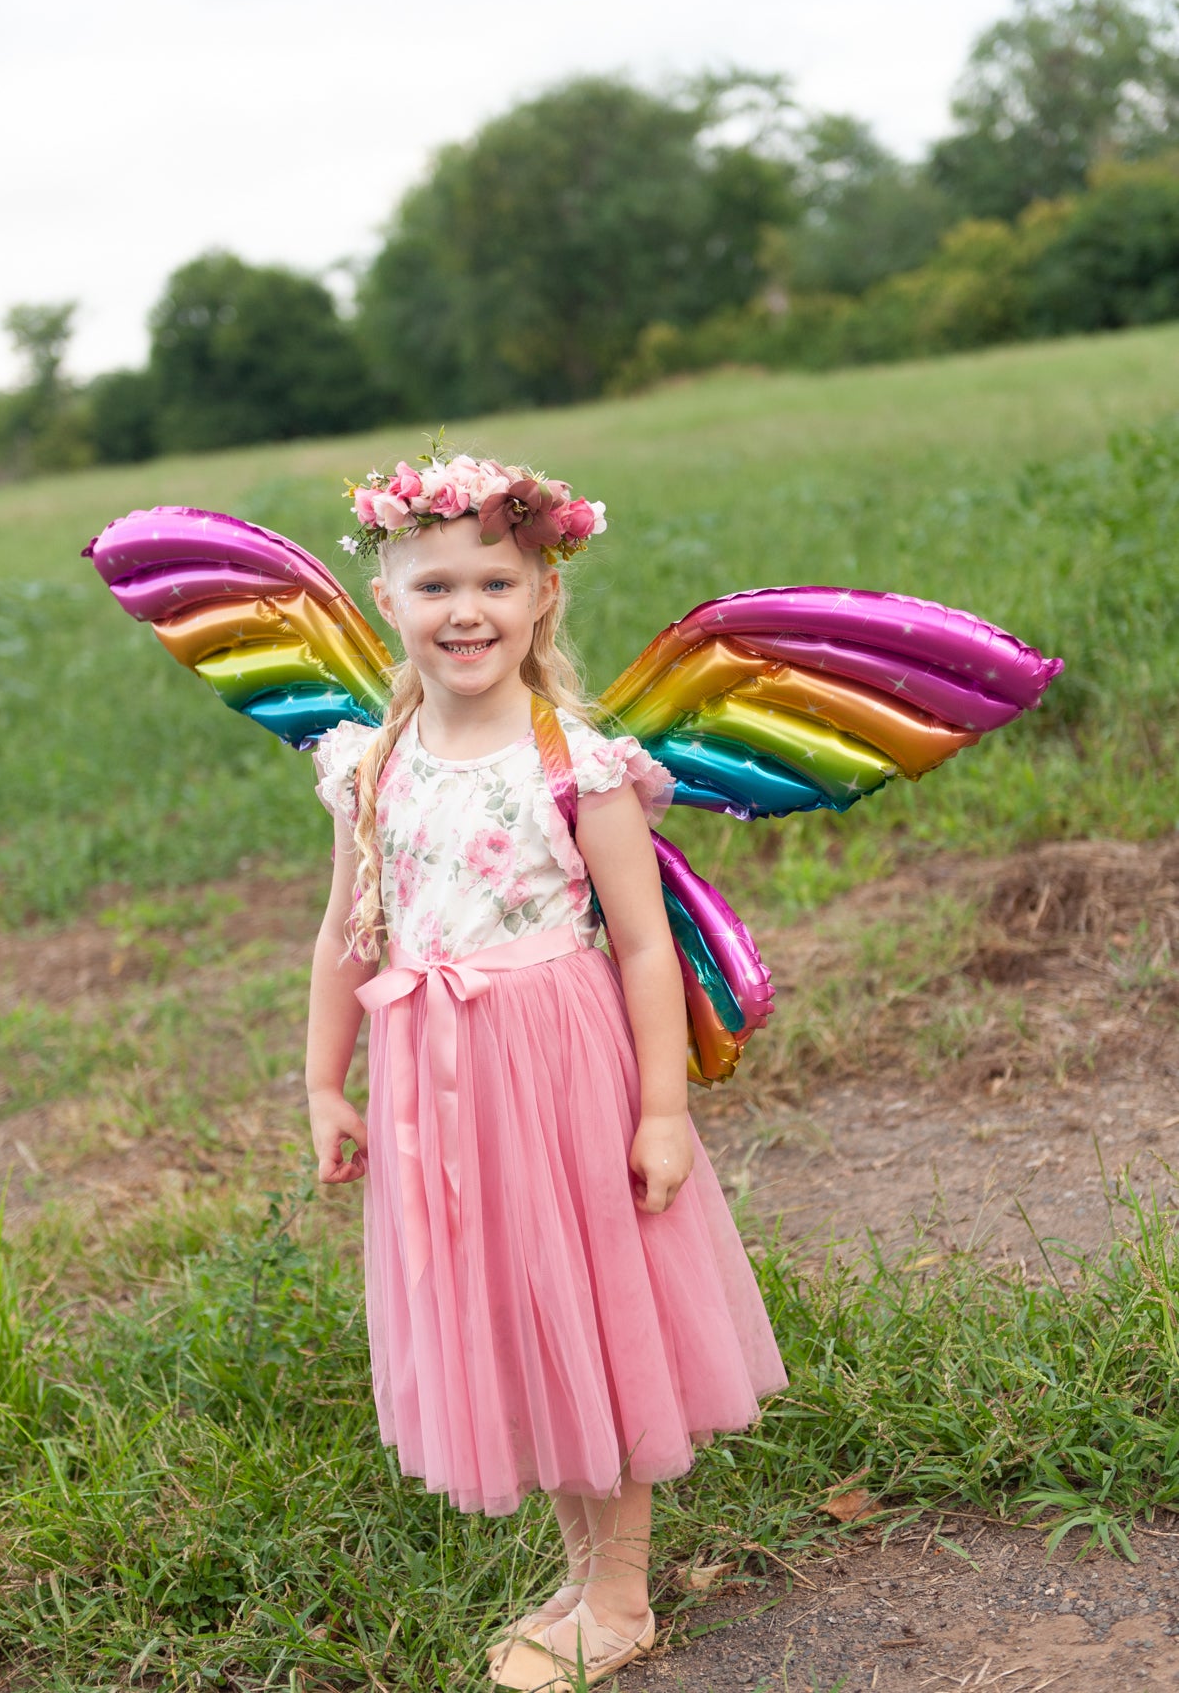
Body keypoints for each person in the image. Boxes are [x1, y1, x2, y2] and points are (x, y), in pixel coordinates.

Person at [304, 453, 786, 1691]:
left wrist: (663, 1110)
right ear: (389, 602)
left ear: (540, 597)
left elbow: (638, 945)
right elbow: (343, 930)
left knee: (585, 1303)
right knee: (508, 1312)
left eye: (496, 582)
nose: (466, 610)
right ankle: (578, 1572)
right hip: (430, 1070)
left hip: (557, 1064)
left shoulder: (576, 762)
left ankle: (619, 1597)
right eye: (435, 585)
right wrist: (324, 1083)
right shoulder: (372, 761)